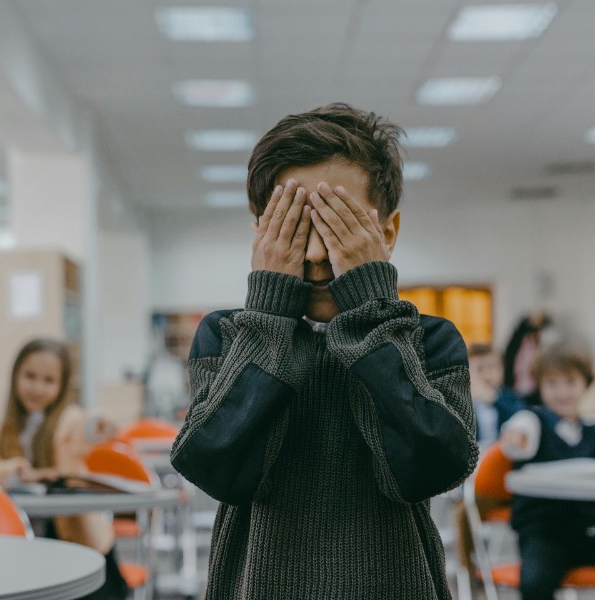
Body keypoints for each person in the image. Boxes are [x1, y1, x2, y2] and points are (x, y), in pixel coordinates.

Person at [170, 103, 478, 599]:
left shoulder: (429, 341)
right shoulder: (229, 336)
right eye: (295, 228)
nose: (315, 255)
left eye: (336, 227)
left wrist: (373, 311)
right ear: (262, 237)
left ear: (388, 233)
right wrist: (270, 317)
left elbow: (432, 469)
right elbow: (214, 467)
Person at [0, 338, 130, 600]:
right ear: (15, 377)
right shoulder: (4, 428)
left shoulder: (67, 420)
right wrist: (14, 471)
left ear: (62, 386)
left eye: (49, 380)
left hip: (75, 536)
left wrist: (96, 426)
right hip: (23, 539)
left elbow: (84, 428)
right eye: (30, 376)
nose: (37, 387)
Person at [500, 343, 595, 600]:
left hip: (590, 533)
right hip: (544, 535)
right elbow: (520, 437)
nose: (562, 392)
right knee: (534, 584)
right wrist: (516, 439)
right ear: (540, 386)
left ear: (585, 384)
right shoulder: (532, 421)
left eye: (570, 381)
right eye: (552, 383)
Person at [468, 343, 526, 445]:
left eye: (492, 367)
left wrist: (495, 399)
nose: (487, 374)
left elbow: (523, 417)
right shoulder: (462, 400)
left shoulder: (509, 397)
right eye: (480, 369)